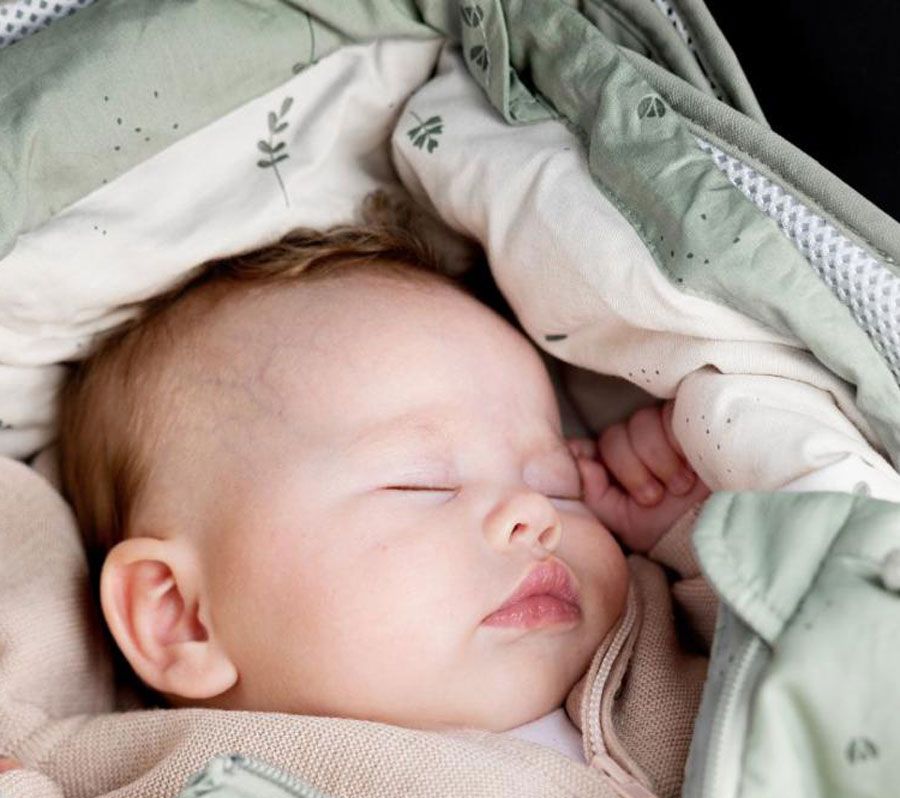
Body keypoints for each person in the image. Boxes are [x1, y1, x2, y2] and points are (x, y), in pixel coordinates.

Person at [55, 189, 709, 758]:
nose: (534, 513)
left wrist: (695, 531)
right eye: (421, 484)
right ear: (181, 617)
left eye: (558, 484)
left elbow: (766, 642)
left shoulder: (650, 661)